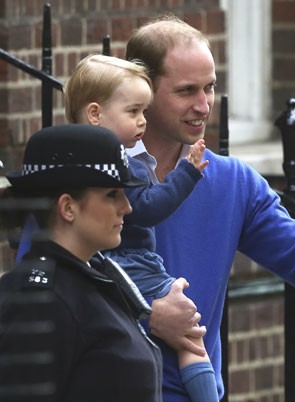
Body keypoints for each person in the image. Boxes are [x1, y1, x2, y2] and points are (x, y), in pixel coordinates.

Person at [124, 14, 295, 401]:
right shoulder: (93, 173)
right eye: (186, 90)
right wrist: (144, 312)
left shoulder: (232, 183)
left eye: (209, 88)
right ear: (143, 89)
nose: (203, 105)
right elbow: (54, 285)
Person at [63, 53, 218, 402]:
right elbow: (147, 209)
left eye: (144, 112)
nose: (143, 121)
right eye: (134, 112)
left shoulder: (70, 160)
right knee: (191, 339)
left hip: (107, 264)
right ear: (95, 114)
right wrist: (188, 174)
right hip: (131, 263)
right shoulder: (121, 165)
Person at [0, 124, 161, 401]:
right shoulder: (41, 300)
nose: (127, 207)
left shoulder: (94, 275)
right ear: (68, 207)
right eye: (112, 194)